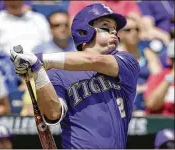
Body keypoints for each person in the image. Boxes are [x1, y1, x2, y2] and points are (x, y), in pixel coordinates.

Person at [10, 3, 140, 148]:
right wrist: (38, 71)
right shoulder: (57, 73)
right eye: (106, 27)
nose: (114, 32)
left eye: (115, 29)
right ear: (85, 31)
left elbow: (94, 60)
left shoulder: (127, 62)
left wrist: (41, 59)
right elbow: (53, 114)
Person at [118, 16, 162, 114]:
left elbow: (158, 77)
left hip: (147, 100)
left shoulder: (147, 53)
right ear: (120, 33)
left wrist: (147, 88)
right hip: (123, 102)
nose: (133, 33)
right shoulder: (115, 55)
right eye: (128, 30)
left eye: (137, 29)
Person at [144, 40, 174, 116]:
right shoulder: (159, 77)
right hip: (161, 125)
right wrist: (170, 78)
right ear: (169, 59)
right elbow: (151, 104)